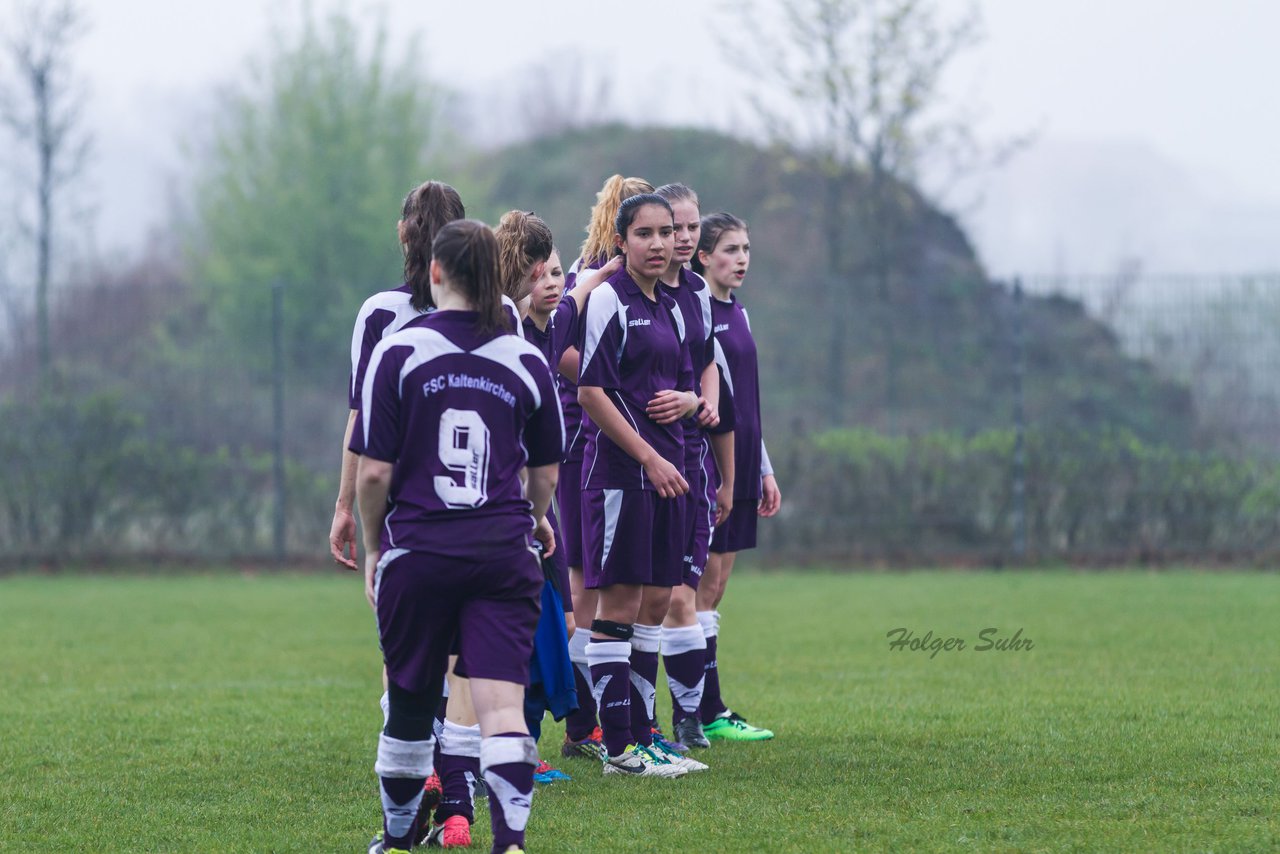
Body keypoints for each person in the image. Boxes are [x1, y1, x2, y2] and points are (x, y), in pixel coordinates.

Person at [354, 218, 563, 854]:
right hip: (502, 552)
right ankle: (512, 843)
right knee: (500, 706)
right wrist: (531, 518)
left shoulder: (399, 351)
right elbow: (547, 470)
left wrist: (372, 546)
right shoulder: (525, 356)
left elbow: (373, 472)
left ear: (436, 272)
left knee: (414, 702)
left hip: (418, 551)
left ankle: (396, 839)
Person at [577, 193, 703, 777]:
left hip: (670, 475)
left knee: (656, 601)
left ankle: (645, 735)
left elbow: (687, 385)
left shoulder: (674, 307)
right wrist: (649, 458)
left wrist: (693, 400)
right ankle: (619, 749)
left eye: (666, 232)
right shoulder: (607, 299)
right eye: (645, 233)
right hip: (624, 475)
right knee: (620, 606)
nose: (658, 243)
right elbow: (591, 392)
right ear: (622, 241)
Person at [557, 176, 654, 761]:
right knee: (586, 587)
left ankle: (615, 721)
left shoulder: (655, 286)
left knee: (624, 591)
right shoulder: (587, 275)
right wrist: (616, 397)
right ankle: (584, 724)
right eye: (645, 226)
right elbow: (564, 352)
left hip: (629, 441)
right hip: (583, 442)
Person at [693, 212, 782, 742]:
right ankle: (703, 711)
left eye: (746, 248)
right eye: (729, 249)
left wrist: (764, 468)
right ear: (702, 256)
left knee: (716, 588)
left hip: (745, 464)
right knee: (700, 589)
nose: (742, 258)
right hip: (712, 466)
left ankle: (708, 707)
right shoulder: (697, 312)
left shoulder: (739, 314)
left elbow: (745, 402)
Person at [653, 184, 732, 754]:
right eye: (672, 228)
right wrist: (682, 396)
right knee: (659, 599)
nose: (683, 238)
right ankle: (644, 725)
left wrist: (703, 400)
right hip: (640, 463)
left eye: (689, 228)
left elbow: (707, 363)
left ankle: (686, 719)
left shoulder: (698, 293)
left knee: (686, 593)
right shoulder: (632, 292)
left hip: (690, 458)